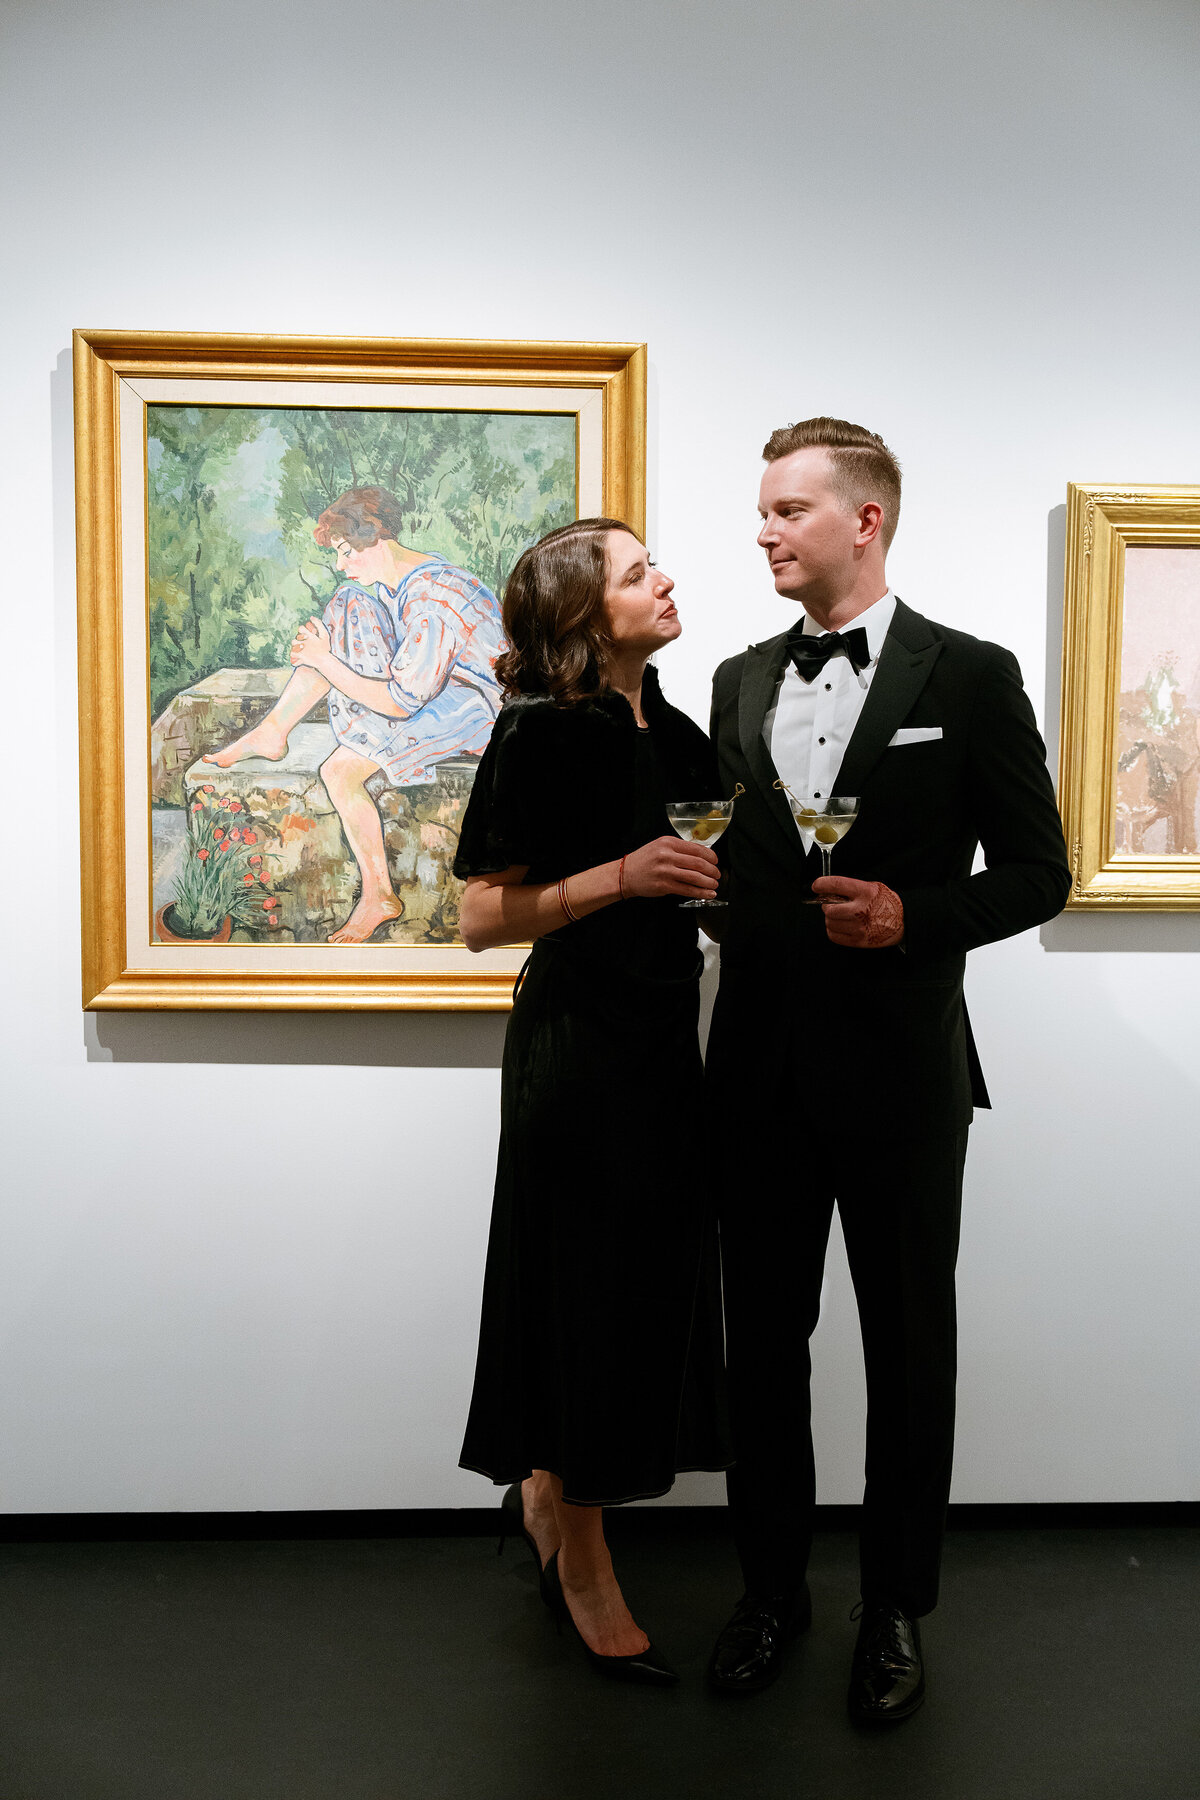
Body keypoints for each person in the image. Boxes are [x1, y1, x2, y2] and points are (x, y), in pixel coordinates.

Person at [704, 418, 1071, 1721]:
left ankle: (895, 1610)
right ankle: (768, 1594)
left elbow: (1042, 873)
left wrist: (918, 915)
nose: (763, 529)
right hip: (754, 1073)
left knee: (912, 1348)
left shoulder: (970, 677)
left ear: (865, 521)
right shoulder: (737, 681)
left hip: (905, 1074)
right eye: (762, 509)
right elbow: (748, 875)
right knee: (763, 1351)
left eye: (788, 509)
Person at [455, 516, 731, 1685]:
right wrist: (620, 877)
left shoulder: (674, 729)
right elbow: (479, 921)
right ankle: (583, 1560)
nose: (663, 579)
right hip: (575, 1051)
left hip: (668, 1047)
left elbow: (712, 879)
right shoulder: (539, 735)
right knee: (579, 1287)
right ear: (583, 612)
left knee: (641, 1289)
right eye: (635, 572)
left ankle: (553, 1491)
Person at [205, 485, 505, 943]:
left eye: (346, 551)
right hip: (432, 691)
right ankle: (273, 730)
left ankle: (379, 895)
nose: (341, 563)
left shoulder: (435, 600)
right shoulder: (399, 578)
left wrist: (324, 660)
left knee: (340, 769)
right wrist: (326, 651)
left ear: (377, 538)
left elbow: (402, 701)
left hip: (474, 709)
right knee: (347, 602)